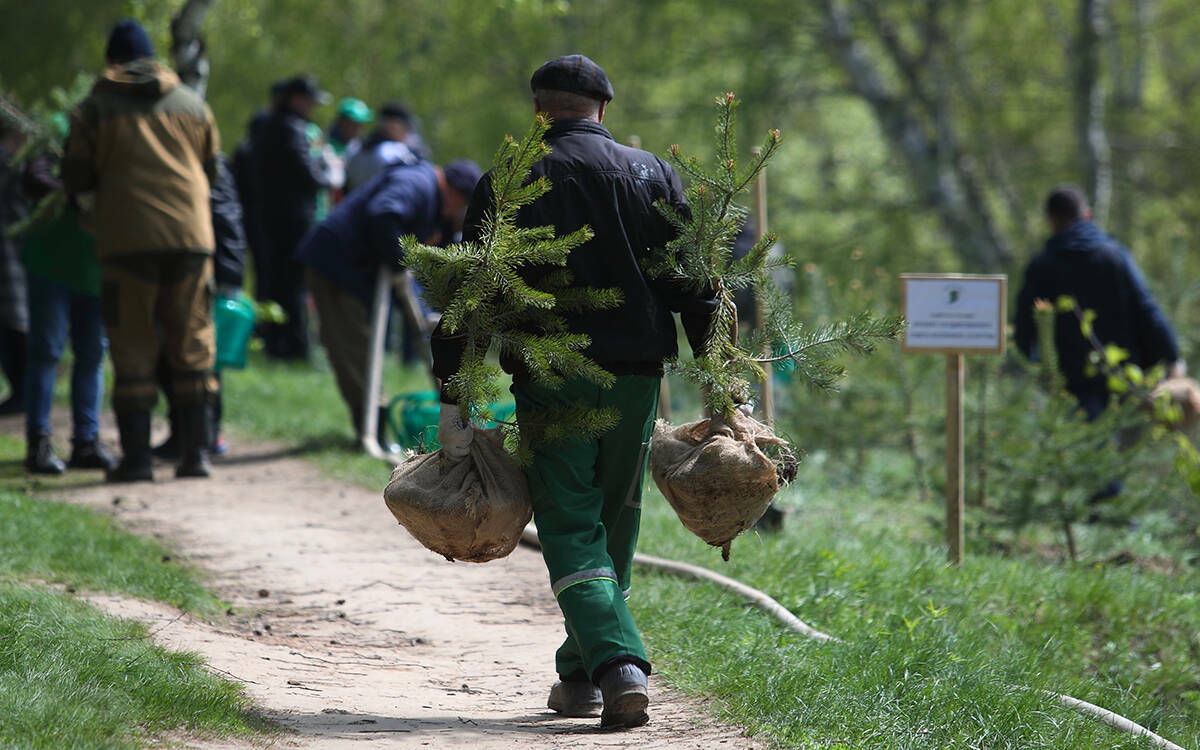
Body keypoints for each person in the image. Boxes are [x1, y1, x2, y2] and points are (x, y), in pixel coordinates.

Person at [431, 54, 717, 729]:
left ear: (539, 110)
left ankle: (618, 664)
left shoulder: (510, 177)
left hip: (552, 371)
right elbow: (692, 281)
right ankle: (581, 672)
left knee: (566, 520)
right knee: (613, 517)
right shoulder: (653, 172)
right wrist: (719, 379)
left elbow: (471, 294)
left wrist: (454, 395)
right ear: (603, 110)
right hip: (638, 378)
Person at [62, 19, 221, 482]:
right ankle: (196, 456)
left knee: (132, 346)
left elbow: (75, 177)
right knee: (192, 342)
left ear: (113, 61)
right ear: (153, 58)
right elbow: (212, 169)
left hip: (128, 241)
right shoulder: (193, 103)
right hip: (191, 239)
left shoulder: (93, 108)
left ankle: (137, 462)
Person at [296, 157, 480, 442]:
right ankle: (372, 430)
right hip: (336, 266)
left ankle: (373, 425)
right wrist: (402, 262)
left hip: (354, 271)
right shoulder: (418, 183)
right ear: (452, 190)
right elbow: (382, 215)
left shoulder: (428, 193)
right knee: (353, 348)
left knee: (359, 346)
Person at [1015, 184, 1183, 419]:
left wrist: (1026, 372)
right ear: (1086, 214)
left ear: (1051, 220)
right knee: (1122, 449)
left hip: (1067, 388)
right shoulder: (1114, 256)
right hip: (1124, 381)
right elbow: (1146, 310)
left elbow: (1024, 328)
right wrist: (1172, 358)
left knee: (1080, 450)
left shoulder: (1042, 266)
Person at [19, 134, 115, 475]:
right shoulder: (60, 131)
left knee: (93, 353)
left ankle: (86, 443)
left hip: (98, 266)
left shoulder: (120, 133)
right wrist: (75, 195)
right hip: (52, 263)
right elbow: (34, 177)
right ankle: (39, 442)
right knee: (46, 351)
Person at [153, 155, 247, 460]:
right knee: (187, 355)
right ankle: (189, 434)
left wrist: (229, 277)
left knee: (199, 355)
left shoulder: (205, 161)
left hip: (204, 274)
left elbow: (224, 216)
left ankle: (202, 434)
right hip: (189, 268)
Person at [253, 74, 337, 361]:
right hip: (295, 221)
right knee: (296, 286)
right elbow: (309, 174)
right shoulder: (293, 129)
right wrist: (328, 174)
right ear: (297, 100)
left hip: (272, 218)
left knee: (276, 282)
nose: (312, 107)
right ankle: (296, 347)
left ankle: (276, 343)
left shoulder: (269, 125)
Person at [0, 125, 29, 416]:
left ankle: (24, 391)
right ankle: (20, 390)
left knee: (17, 321)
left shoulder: (17, 158)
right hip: (11, 246)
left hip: (17, 246)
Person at [344, 102, 423, 194]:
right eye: (405, 127)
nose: (408, 133)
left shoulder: (355, 147)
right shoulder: (393, 152)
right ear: (393, 126)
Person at [328, 97, 371, 162]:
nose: (358, 128)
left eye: (360, 124)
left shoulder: (358, 145)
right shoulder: (326, 146)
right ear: (342, 122)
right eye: (354, 124)